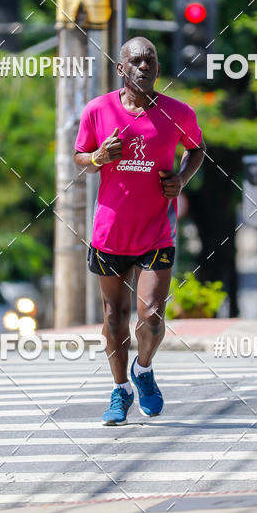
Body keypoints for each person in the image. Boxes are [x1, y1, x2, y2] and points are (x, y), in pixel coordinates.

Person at [74, 37, 205, 425]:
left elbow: (196, 148)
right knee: (115, 318)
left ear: (159, 69)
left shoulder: (178, 112)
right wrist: (98, 157)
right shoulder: (98, 110)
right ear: (121, 68)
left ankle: (143, 370)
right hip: (110, 232)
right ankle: (119, 390)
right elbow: (80, 155)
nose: (144, 67)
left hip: (156, 231)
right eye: (136, 61)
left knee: (150, 317)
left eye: (151, 61)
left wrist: (181, 178)